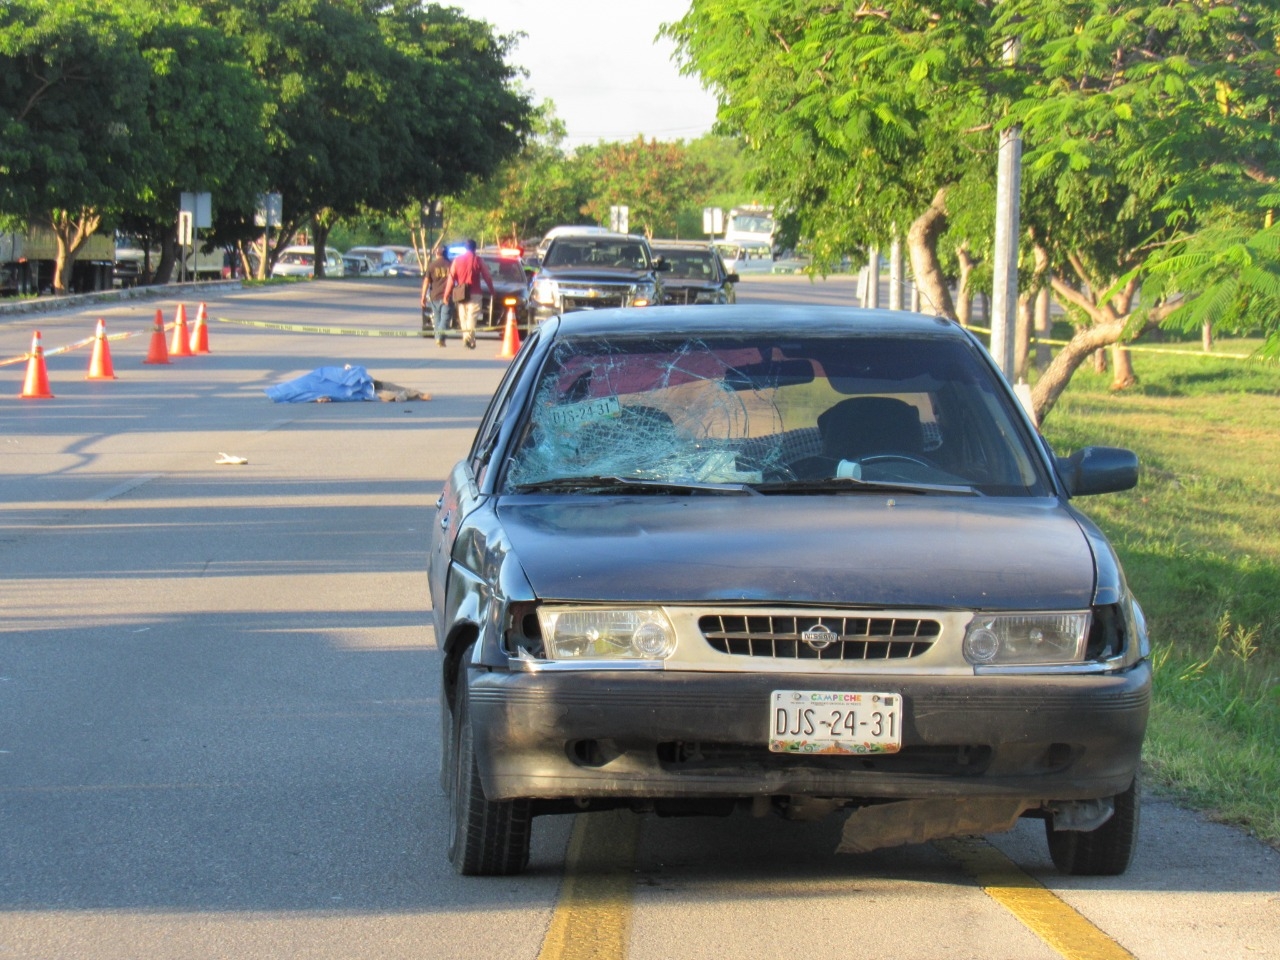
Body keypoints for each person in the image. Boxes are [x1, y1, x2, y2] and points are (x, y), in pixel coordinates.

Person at [441, 239, 496, 350]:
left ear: (465, 248)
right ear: (475, 248)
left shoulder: (457, 260)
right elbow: (487, 276)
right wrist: (491, 290)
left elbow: (451, 279)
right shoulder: (478, 260)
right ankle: (468, 338)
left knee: (463, 317)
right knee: (472, 316)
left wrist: (446, 295)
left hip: (461, 292)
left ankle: (469, 340)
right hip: (475, 292)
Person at [420, 244, 453, 347]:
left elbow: (426, 282)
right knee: (445, 319)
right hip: (447, 296)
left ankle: (439, 340)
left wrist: (423, 296)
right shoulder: (451, 264)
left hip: (434, 296)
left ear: (436, 253)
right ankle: (439, 338)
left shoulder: (431, 265)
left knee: (437, 319)